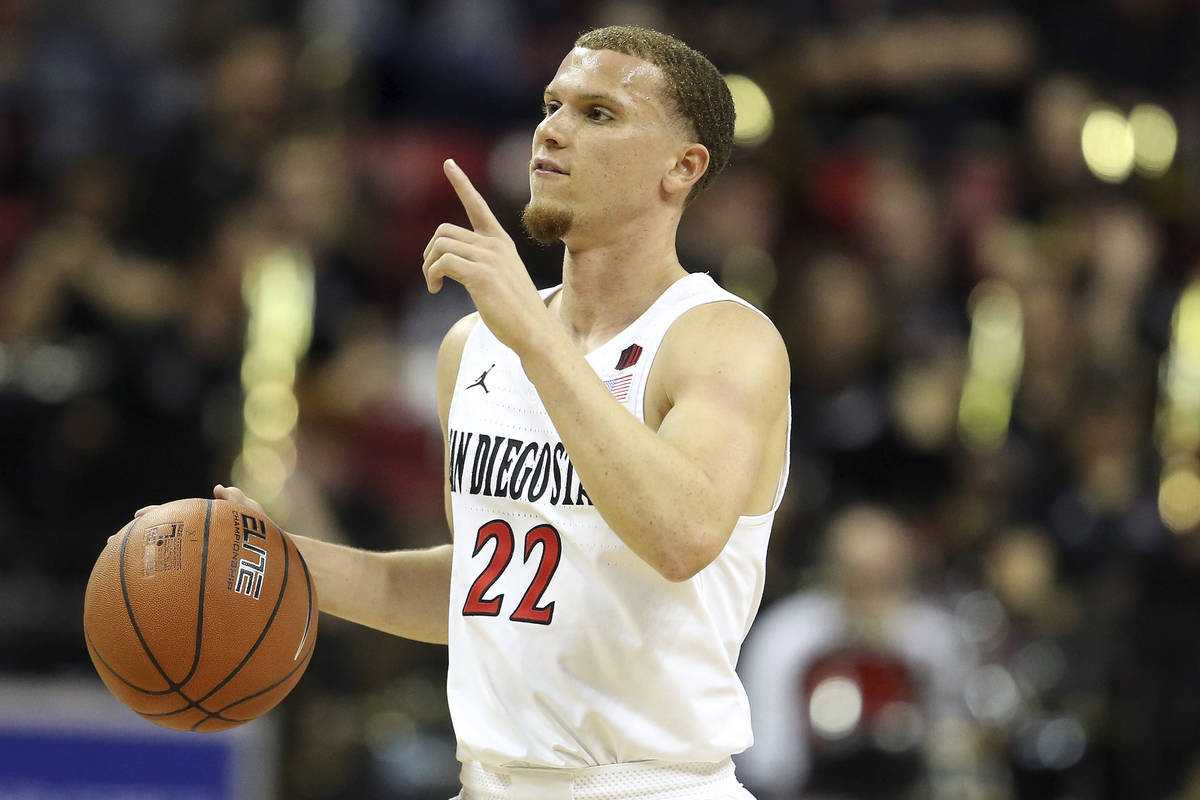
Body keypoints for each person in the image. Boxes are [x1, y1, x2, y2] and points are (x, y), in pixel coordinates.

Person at [138, 24, 791, 800]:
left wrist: (538, 340)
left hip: (651, 785)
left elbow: (681, 537)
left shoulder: (722, 339)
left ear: (682, 168)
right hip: (485, 782)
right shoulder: (473, 348)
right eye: (552, 104)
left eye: (600, 114)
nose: (552, 129)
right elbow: (487, 585)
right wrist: (291, 565)